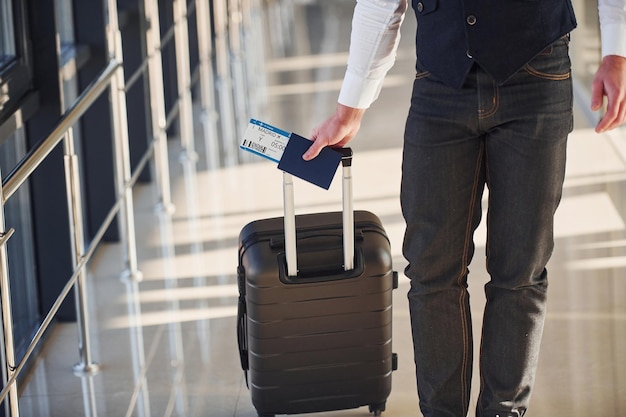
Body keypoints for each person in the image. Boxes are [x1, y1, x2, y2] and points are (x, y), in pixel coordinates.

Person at [302, 1, 626, 416]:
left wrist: (615, 51)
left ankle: (504, 411)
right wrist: (350, 107)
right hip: (440, 83)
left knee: (520, 270)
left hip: (537, 74)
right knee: (431, 268)